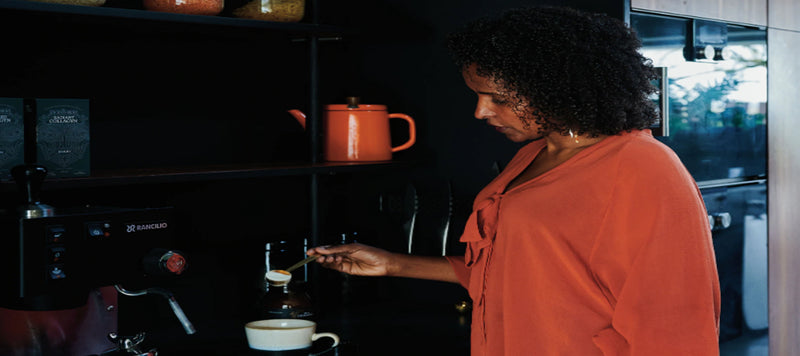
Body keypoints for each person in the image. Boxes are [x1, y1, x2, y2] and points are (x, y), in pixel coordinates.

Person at [307, 6, 720, 355]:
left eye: (498, 99)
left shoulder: (643, 168)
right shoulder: (533, 155)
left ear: (556, 89)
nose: (480, 112)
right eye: (477, 95)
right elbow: (514, 271)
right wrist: (394, 265)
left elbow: (678, 320)